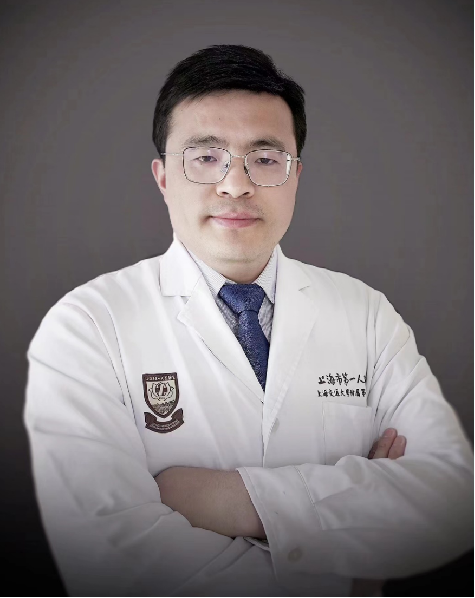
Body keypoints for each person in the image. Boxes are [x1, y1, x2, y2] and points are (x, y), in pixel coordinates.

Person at [23, 44, 473, 597]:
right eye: (205, 157)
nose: (235, 185)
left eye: (264, 159)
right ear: (163, 178)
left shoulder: (365, 314)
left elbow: (454, 498)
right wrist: (346, 561)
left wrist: (231, 500)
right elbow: (111, 560)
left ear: (296, 176)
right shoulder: (87, 326)